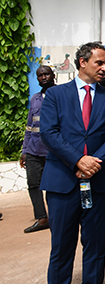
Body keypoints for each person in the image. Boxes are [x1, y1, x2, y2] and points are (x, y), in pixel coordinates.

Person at [38, 42, 105, 284]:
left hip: (98, 182)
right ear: (82, 62)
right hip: (63, 182)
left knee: (95, 243)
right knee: (61, 247)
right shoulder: (56, 95)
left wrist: (93, 162)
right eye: (99, 62)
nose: (104, 68)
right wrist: (77, 160)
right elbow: (49, 133)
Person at [20, 65, 55, 233]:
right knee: (33, 184)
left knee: (54, 186)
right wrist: (24, 150)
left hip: (53, 151)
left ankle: (57, 217)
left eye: (46, 74)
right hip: (34, 150)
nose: (43, 77)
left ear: (53, 75)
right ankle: (42, 218)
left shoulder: (61, 94)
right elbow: (29, 127)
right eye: (40, 75)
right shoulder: (35, 98)